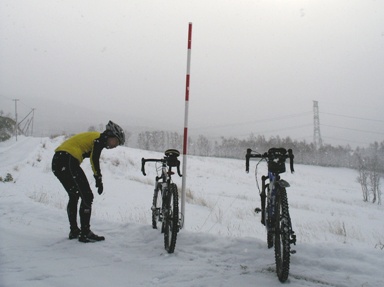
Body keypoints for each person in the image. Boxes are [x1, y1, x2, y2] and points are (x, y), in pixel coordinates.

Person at [52, 121, 125, 243]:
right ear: (111, 135)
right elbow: (94, 159)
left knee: (74, 195)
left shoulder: (95, 137)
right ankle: (85, 233)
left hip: (57, 161)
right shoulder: (99, 139)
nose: (115, 146)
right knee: (87, 196)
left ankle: (74, 230)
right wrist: (98, 178)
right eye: (116, 142)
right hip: (68, 159)